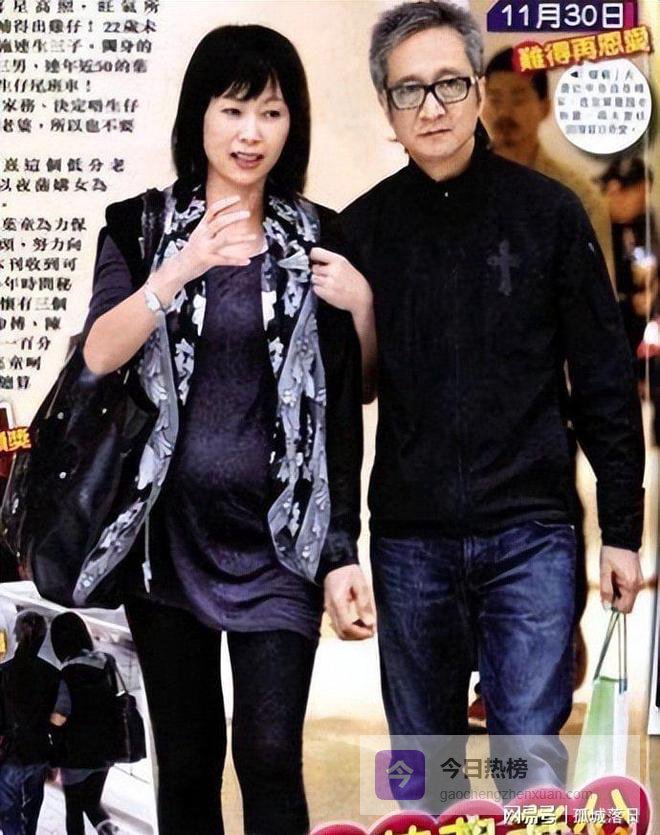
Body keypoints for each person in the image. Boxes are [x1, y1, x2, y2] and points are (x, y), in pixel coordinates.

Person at [314, 0, 645, 800]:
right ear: (387, 106)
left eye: (450, 84)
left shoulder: (549, 215)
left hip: (531, 534)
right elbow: (337, 411)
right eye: (409, 90)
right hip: (410, 542)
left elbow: (602, 379)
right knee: (424, 777)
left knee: (530, 770)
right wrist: (339, 547)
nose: (431, 107)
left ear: (476, 93)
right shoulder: (363, 232)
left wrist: (622, 531)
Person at [81, 24, 373, 835]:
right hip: (166, 536)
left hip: (280, 537)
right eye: (234, 109)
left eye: (271, 113)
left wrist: (363, 307)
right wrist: (182, 267)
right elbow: (99, 354)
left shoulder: (319, 237)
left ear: (293, 124)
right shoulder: (140, 227)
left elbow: (348, 402)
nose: (251, 133)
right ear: (199, 117)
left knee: (271, 753)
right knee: (188, 759)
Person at [481, 47, 615, 284]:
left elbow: (597, 293)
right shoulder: (460, 185)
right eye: (495, 99)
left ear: (545, 107)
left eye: (518, 99)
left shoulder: (579, 197)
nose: (504, 112)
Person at [49, 612, 119, 835]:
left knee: (74, 809)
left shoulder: (67, 673)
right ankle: (111, 832)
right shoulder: (107, 662)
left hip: (76, 755)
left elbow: (60, 715)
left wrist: (47, 723)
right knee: (92, 802)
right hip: (106, 750)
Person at [0, 610, 59, 835]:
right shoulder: (52, 675)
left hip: (11, 753)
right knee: (31, 810)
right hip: (39, 752)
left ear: (15, 635)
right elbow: (56, 720)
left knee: (9, 811)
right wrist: (55, 761)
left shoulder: (4, 673)